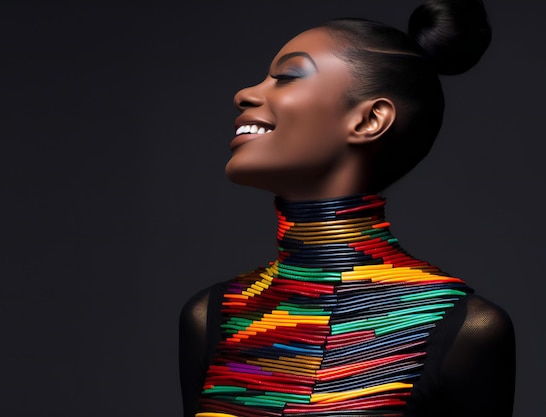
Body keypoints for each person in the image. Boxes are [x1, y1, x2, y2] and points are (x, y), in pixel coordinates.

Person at [178, 0, 516, 416]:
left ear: (369, 119)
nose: (245, 94)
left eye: (286, 76)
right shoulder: (211, 316)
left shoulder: (462, 329)